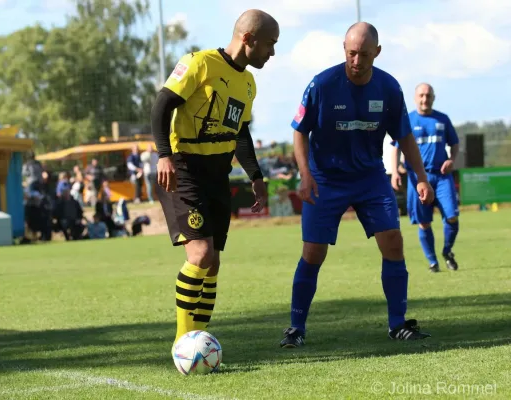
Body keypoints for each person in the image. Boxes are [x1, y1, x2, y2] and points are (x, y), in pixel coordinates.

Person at [280, 22, 435, 348]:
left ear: (376, 53)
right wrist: (305, 175)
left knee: (393, 242)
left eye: (364, 54)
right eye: (351, 53)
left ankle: (398, 325)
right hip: (325, 179)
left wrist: (421, 177)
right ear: (344, 49)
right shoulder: (322, 84)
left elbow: (404, 135)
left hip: (370, 178)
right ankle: (296, 328)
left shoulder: (389, 88)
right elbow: (299, 130)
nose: (357, 60)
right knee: (313, 252)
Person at [150, 9, 279, 348]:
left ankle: (200, 338)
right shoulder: (199, 64)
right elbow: (162, 105)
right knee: (201, 255)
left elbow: (241, 133)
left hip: (218, 175)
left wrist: (256, 176)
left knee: (213, 263)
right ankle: (183, 342)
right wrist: (164, 154)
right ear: (248, 39)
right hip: (184, 170)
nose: (273, 52)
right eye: (270, 44)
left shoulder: (248, 83)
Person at [391, 83, 460, 273]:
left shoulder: (442, 119)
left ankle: (447, 251)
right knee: (424, 222)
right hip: (417, 178)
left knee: (452, 217)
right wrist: (396, 170)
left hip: (442, 176)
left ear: (433, 97)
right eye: (421, 95)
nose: (424, 99)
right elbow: (396, 147)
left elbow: (454, 143)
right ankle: (433, 262)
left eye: (428, 95)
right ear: (415, 98)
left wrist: (452, 160)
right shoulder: (408, 120)